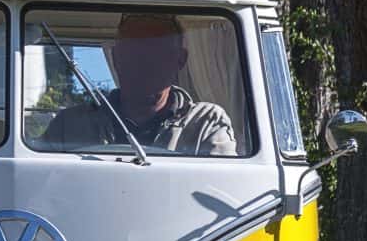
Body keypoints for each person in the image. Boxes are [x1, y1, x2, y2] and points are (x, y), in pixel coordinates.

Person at [36, 13, 239, 156]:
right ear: (116, 58)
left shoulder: (206, 123)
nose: (144, 62)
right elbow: (38, 192)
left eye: (157, 51)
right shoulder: (69, 126)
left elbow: (221, 191)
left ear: (180, 60)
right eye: (134, 51)